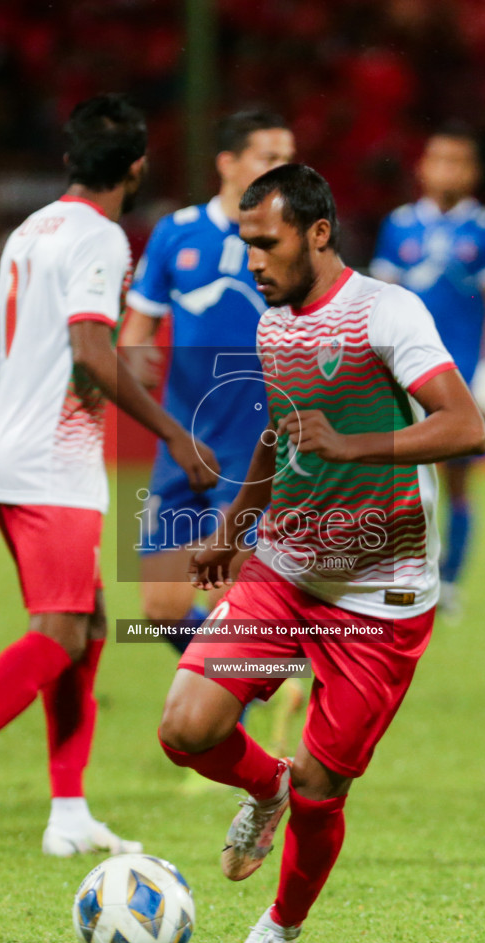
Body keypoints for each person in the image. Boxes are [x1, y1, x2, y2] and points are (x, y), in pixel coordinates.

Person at [155, 164, 485, 943]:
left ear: (318, 234)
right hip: (284, 573)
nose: (253, 263)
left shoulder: (387, 312)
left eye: (266, 244)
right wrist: (234, 529)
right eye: (245, 246)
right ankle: (262, 788)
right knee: (187, 729)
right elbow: (280, 433)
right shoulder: (274, 325)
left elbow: (465, 424)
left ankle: (279, 929)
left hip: (381, 599)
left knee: (324, 789)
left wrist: (356, 445)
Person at [0, 95, 219, 863]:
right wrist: (173, 435)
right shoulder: (101, 239)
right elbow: (94, 354)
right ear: (137, 167)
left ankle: (67, 811)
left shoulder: (27, 231)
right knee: (60, 631)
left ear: (68, 162)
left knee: (86, 625)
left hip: (12, 450)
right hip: (53, 463)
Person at [118, 110, 294, 650]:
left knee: (229, 606)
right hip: (183, 441)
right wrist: (133, 358)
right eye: (270, 158)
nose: (282, 169)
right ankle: (275, 672)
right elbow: (136, 329)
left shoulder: (293, 241)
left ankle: (228, 720)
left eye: (289, 159)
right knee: (162, 611)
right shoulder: (176, 233)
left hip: (254, 446)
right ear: (229, 163)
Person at [370, 127, 485, 619]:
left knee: (455, 479)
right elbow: (381, 301)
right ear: (423, 168)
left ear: (472, 172)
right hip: (404, 373)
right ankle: (409, 574)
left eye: (458, 162)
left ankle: (449, 580)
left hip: (460, 374)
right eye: (439, 160)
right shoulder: (399, 226)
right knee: (402, 478)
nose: (447, 171)